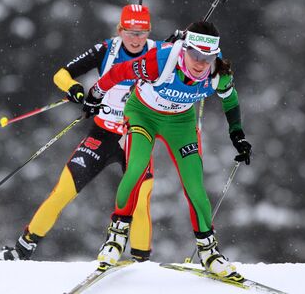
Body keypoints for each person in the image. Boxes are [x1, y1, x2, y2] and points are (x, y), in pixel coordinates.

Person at [82, 21, 252, 279]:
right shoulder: (160, 61)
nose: (200, 63)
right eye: (195, 54)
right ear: (184, 48)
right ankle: (116, 238)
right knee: (136, 168)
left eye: (207, 57)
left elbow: (231, 100)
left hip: (180, 123)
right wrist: (95, 93)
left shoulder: (218, 72)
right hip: (143, 115)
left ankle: (209, 252)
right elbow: (119, 72)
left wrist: (237, 135)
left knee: (195, 185)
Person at [0, 4, 160, 262]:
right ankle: (22, 250)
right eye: (130, 32)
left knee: (140, 199)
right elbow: (62, 74)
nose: (136, 39)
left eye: (142, 32)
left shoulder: (161, 54)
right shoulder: (106, 50)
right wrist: (75, 89)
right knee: (63, 190)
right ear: (120, 30)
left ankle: (140, 261)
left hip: (137, 137)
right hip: (102, 135)